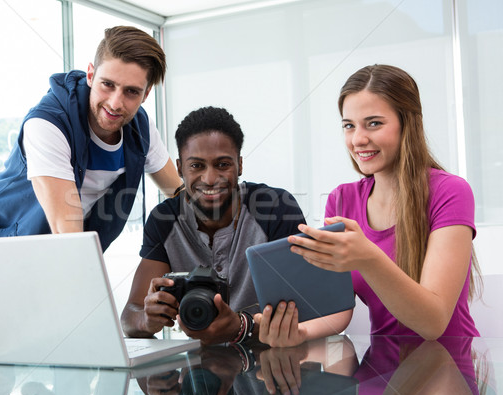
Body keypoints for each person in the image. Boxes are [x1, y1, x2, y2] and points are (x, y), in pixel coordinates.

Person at [256, 64, 481, 347]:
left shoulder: (450, 191)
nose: (358, 139)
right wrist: (300, 333)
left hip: (446, 368)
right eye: (349, 126)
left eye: (374, 123)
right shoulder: (341, 200)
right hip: (381, 370)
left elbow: (433, 322)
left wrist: (369, 258)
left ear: (408, 123)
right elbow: (339, 310)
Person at [0, 26, 182, 252]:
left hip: (58, 243)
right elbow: (67, 230)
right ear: (90, 75)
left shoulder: (140, 126)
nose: (116, 103)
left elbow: (179, 195)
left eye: (131, 92)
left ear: (145, 94)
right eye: (107, 85)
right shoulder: (48, 124)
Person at [121, 106, 306, 345]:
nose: (209, 179)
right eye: (196, 166)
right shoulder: (164, 219)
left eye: (222, 165)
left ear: (240, 164)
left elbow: (306, 311)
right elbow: (129, 315)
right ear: (179, 168)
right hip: (196, 370)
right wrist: (146, 320)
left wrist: (242, 327)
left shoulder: (276, 208)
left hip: (271, 364)